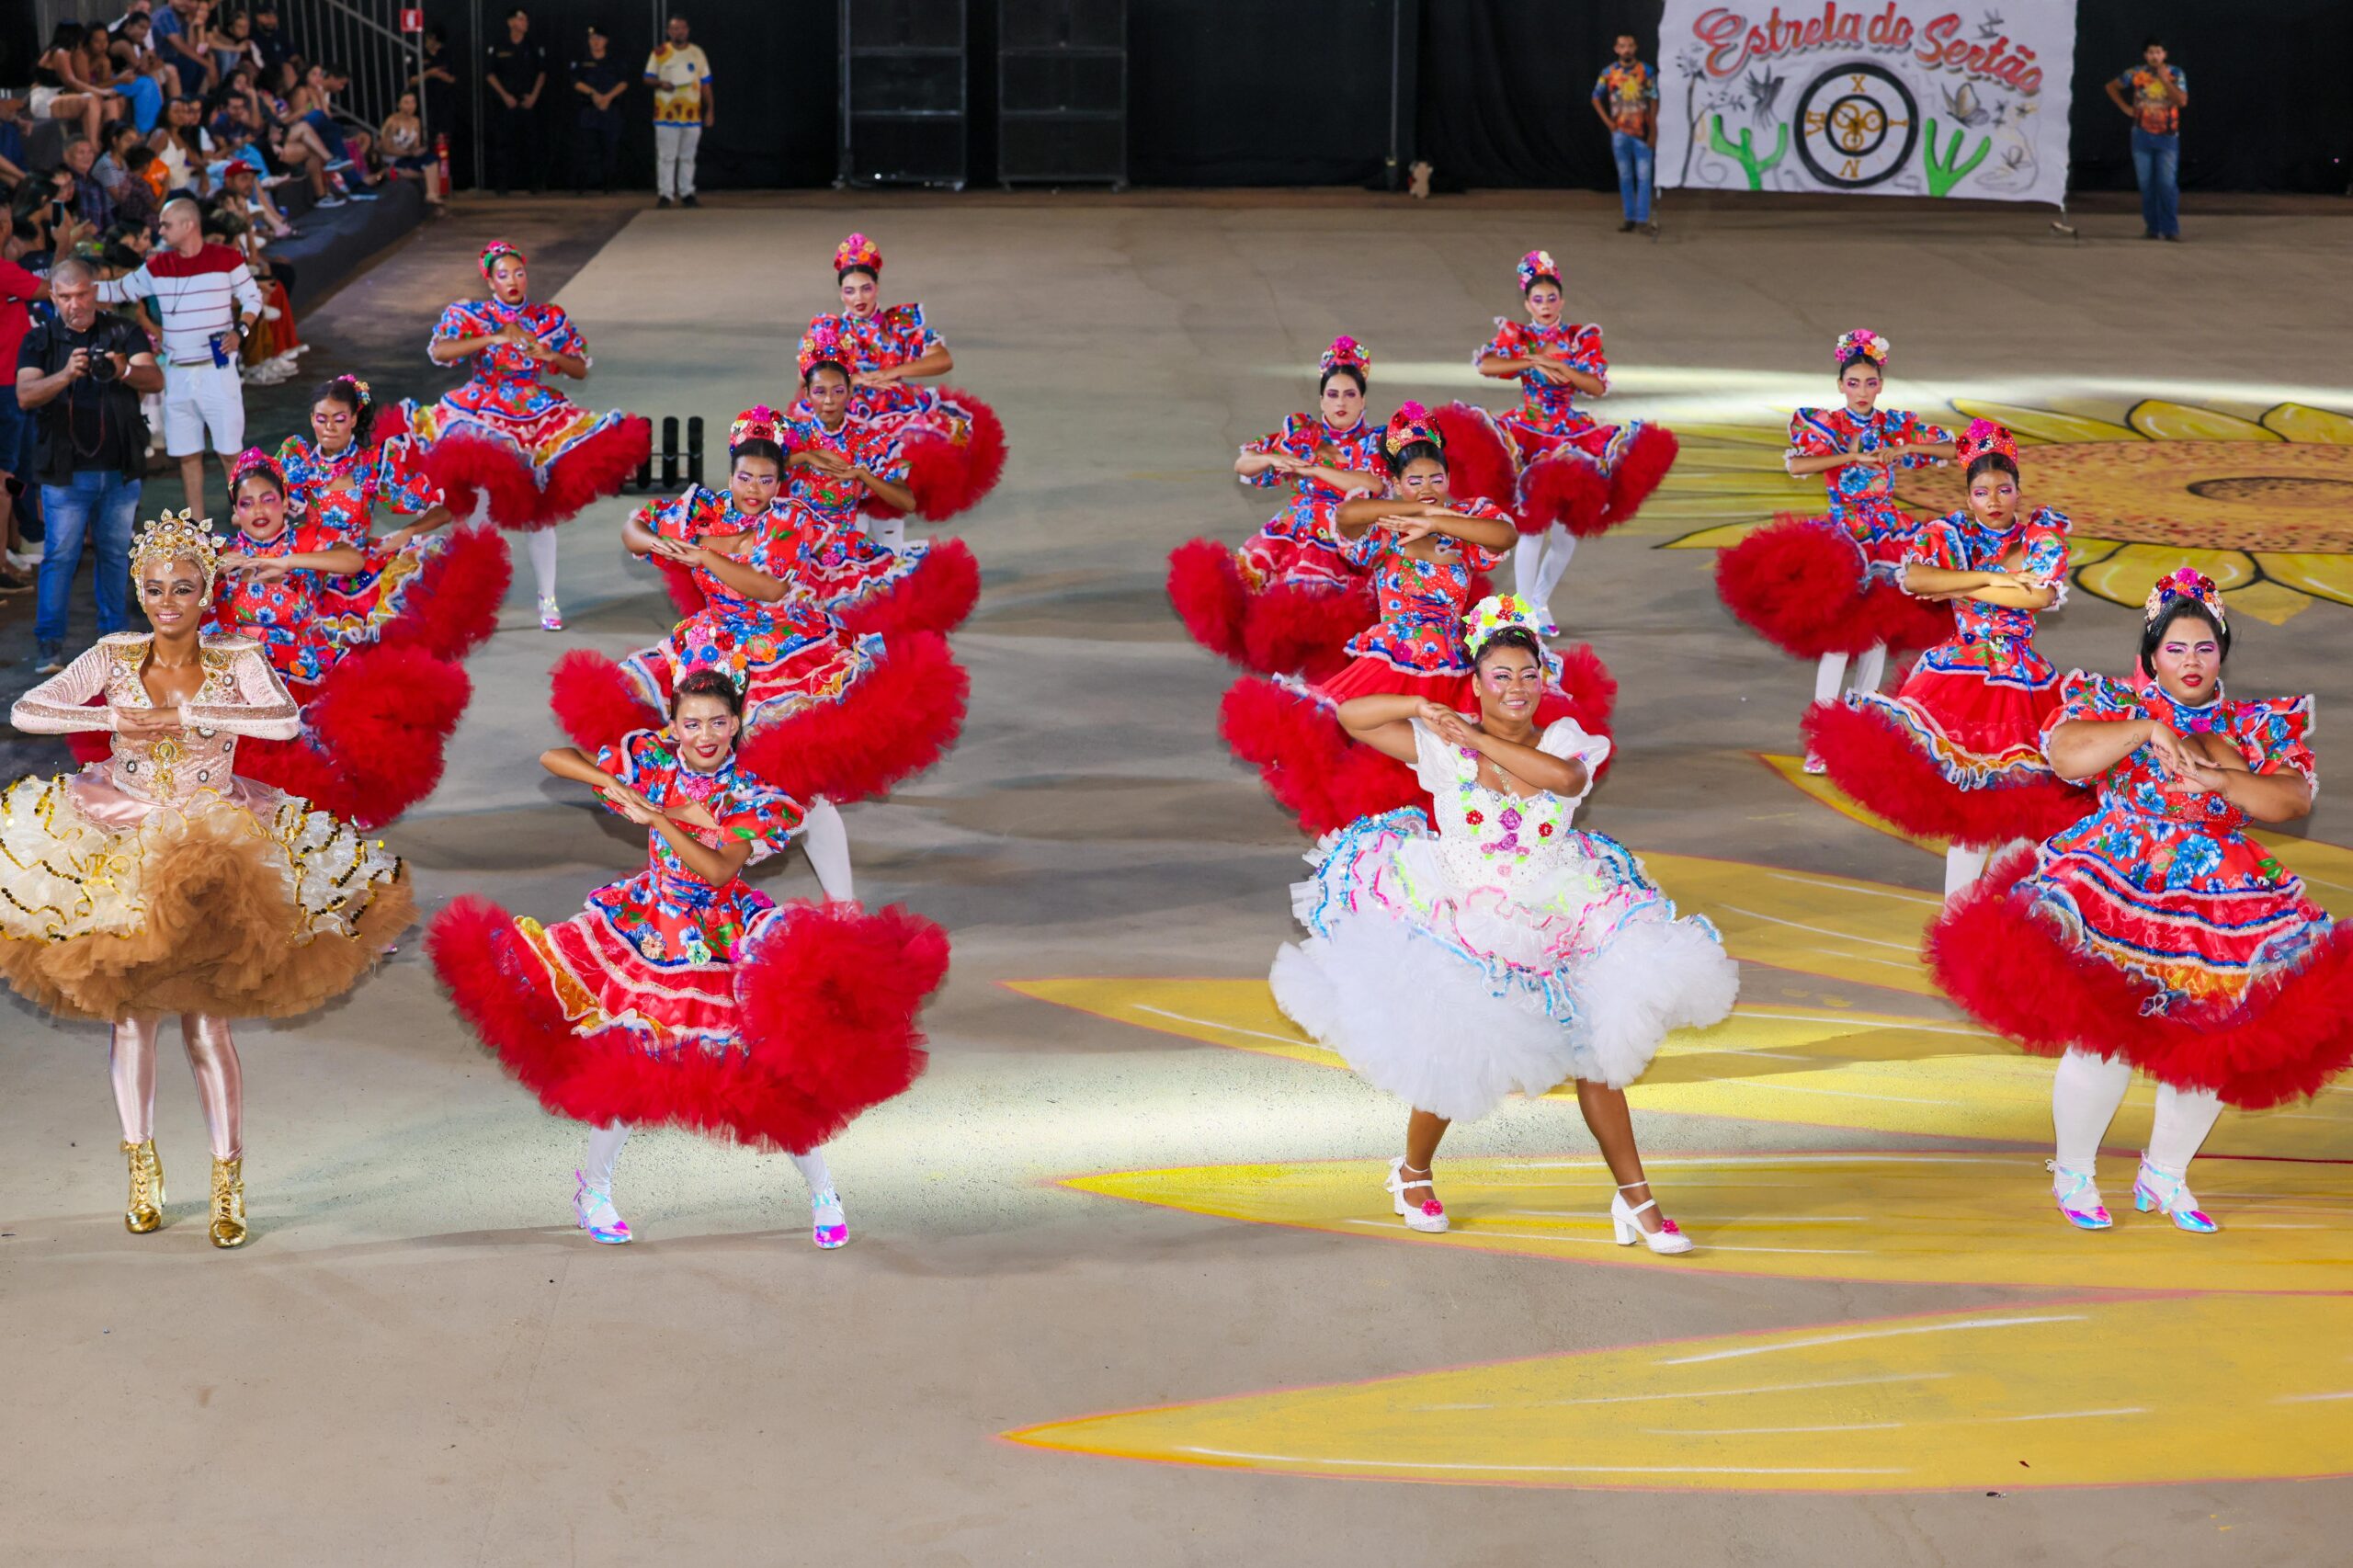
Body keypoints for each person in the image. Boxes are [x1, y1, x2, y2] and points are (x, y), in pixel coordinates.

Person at [2, 510, 415, 1247]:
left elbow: (283, 721)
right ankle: (142, 1168)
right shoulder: (115, 654)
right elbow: (28, 710)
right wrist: (119, 712)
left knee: (206, 1022)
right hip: (122, 842)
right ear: (139, 589)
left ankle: (228, 1179)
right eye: (155, 588)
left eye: (184, 588)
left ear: (208, 591)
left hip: (217, 850)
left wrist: (191, 710)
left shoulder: (236, 657)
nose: (168, 602)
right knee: (133, 1016)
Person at [427, 668, 949, 1248]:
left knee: (772, 1071)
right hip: (647, 931)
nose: (705, 736)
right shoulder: (654, 760)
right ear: (673, 725)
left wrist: (658, 817)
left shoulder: (751, 792)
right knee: (629, 1064)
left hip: (727, 938)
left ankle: (823, 1191)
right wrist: (618, 785)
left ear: (737, 723)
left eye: (718, 723)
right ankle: (594, 1191)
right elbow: (556, 758)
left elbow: (719, 869)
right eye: (692, 723)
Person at [1271, 595, 1736, 1243]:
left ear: (1544, 680)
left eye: (1529, 674)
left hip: (1563, 909)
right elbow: (1351, 715)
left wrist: (1478, 737)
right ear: (1476, 682)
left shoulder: (1565, 740)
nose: (1517, 687)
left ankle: (1637, 1201)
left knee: (1598, 1052)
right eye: (1501, 675)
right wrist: (1419, 706)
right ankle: (1413, 1171)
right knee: (1460, 1049)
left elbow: (1564, 782)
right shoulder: (1442, 747)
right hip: (1467, 914)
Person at [1927, 569, 2351, 1233]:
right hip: (2118, 883)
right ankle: (2074, 1171)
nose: (2190, 661)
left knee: (2213, 1043)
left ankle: (2166, 1174)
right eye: (2175, 648)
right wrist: (2147, 728)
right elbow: (2066, 757)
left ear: (2222, 653)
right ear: (2151, 653)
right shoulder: (2110, 700)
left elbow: (2292, 800)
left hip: (2221, 899)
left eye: (2204, 648)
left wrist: (2223, 781)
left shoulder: (2254, 724)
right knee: (2105, 1038)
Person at [1222, 405, 1616, 837]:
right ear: (1396, 483)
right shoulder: (1383, 525)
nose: (1428, 489)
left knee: (1461, 770)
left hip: (1455, 665)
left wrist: (1434, 519)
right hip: (1391, 664)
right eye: (1415, 481)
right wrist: (1407, 513)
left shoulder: (1466, 519)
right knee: (1375, 765)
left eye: (1436, 479)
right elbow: (1346, 518)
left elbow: (1504, 535)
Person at [1802, 420, 2085, 894]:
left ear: (2018, 491)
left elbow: (2037, 596)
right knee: (1972, 814)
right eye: (1981, 492)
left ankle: (1998, 906)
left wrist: (1961, 584)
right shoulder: (1949, 531)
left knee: (2023, 808)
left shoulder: (2042, 534)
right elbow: (1916, 579)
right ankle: (1958, 913)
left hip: (2024, 682)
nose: (1994, 501)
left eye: (2004, 489)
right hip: (1961, 676)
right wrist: (1993, 579)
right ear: (1968, 496)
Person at [1713, 329, 1956, 758]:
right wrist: (1851, 456)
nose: (1862, 391)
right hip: (1845, 540)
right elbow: (1799, 466)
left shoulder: (1893, 425)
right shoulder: (1826, 423)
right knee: (1839, 643)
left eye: (1870, 383)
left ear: (1881, 385)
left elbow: (1954, 450)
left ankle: (1858, 730)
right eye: (1853, 383)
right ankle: (1822, 739)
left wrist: (1906, 449)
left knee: (1877, 636)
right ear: (1840, 385)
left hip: (1888, 536)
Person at [395, 239, 651, 630]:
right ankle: (473, 598)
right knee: (477, 510)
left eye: (518, 273)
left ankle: (548, 600)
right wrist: (493, 338)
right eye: (503, 275)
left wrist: (551, 356)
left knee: (538, 514)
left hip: (536, 417)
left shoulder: (548, 317)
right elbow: (441, 351)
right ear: (490, 282)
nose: (513, 281)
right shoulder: (474, 314)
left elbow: (579, 368)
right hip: (481, 412)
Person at [1167, 334, 1385, 677]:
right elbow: (1244, 464)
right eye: (1332, 395)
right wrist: (1273, 458)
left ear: (1363, 400)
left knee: (1337, 628)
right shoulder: (1302, 434)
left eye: (1349, 394)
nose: (1340, 403)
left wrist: (1313, 469)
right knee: (1282, 614)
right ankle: (1293, 687)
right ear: (1321, 399)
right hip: (1293, 537)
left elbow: (1372, 484)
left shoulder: (1377, 441)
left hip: (1349, 538)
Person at [1472, 249, 1677, 604]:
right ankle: (1525, 611)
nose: (1546, 305)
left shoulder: (1580, 338)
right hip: (1529, 436)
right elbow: (1487, 366)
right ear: (1527, 304)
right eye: (1538, 299)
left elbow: (1595, 387)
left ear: (1562, 300)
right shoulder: (1520, 336)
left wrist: (1563, 368)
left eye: (1552, 298)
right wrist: (1531, 361)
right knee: (1532, 529)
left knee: (1566, 537)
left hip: (1572, 438)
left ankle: (1540, 603)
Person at [774, 327, 979, 638]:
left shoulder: (867, 441)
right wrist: (804, 457)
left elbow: (906, 501)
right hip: (791, 547)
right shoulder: (790, 435)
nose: (828, 401)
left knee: (859, 632)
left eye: (838, 391)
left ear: (850, 392)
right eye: (819, 392)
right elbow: (749, 470)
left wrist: (864, 475)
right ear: (807, 394)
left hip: (843, 551)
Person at [14, 259, 164, 673]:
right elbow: (25, 394)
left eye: (81, 294)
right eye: (64, 297)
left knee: (115, 556)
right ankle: (49, 646)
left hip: (119, 468)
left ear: (94, 291)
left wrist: (122, 368)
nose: (74, 304)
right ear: (53, 297)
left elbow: (155, 380)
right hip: (65, 472)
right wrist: (66, 374)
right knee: (60, 558)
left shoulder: (122, 331)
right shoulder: (40, 339)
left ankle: (115, 643)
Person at [808, 233, 1006, 527]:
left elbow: (942, 359)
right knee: (845, 493)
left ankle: (886, 546)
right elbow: (807, 375)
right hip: (845, 412)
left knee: (892, 488)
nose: (859, 298)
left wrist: (893, 371)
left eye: (865, 289)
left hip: (895, 410)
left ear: (877, 288)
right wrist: (855, 380)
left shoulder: (900, 324)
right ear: (841, 294)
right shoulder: (829, 330)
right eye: (850, 291)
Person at [96, 196, 263, 520]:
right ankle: (197, 527)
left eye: (166, 225)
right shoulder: (157, 265)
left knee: (231, 452)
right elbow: (118, 290)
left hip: (217, 371)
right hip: (177, 373)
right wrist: (73, 288)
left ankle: (248, 522)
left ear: (188, 225)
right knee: (187, 455)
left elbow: (252, 297)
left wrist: (239, 331)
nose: (160, 231)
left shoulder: (227, 258)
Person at [2106, 38, 2187, 242]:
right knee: (2146, 184)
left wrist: (2165, 80)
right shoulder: (2136, 73)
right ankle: (2152, 227)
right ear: (2145, 55)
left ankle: (2170, 229)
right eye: (2151, 52)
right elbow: (2111, 87)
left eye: (2158, 52)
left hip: (2167, 136)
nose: (2154, 56)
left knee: (2166, 184)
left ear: (2164, 54)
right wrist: (2125, 108)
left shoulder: (2176, 73)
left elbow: (2182, 101)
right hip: (2141, 135)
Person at [1591, 32, 1658, 234]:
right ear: (1616, 49)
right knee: (1625, 176)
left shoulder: (1646, 71)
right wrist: (1608, 122)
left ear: (1635, 48)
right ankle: (1629, 217)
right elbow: (1595, 97)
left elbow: (1654, 99)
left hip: (1641, 131)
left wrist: (1653, 130)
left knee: (1644, 177)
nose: (1626, 49)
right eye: (1622, 46)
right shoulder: (1609, 72)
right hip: (1620, 132)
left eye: (1629, 45)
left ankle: (1642, 219)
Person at [644, 13, 712, 209]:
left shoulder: (697, 53)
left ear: (687, 30)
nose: (678, 32)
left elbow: (706, 84)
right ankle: (665, 194)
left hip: (692, 114)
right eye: (674, 28)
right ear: (669, 31)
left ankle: (687, 192)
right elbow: (647, 78)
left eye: (682, 28)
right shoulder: (659, 52)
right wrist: (660, 84)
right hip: (666, 114)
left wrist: (710, 110)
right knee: (666, 156)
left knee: (688, 156)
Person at [484, 7, 548, 196]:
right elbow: (490, 74)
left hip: (527, 100)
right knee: (503, 144)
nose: (525, 23)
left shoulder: (532, 45)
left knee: (531, 143)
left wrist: (534, 96)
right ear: (511, 22)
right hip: (505, 102)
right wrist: (505, 95)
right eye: (521, 19)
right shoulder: (499, 44)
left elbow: (542, 73)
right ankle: (502, 184)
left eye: (526, 20)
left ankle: (534, 184)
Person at [570, 26, 628, 194]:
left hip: (610, 109)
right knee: (586, 148)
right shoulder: (582, 59)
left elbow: (623, 82)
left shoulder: (614, 60)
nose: (595, 42)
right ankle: (582, 186)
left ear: (606, 41)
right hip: (589, 110)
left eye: (599, 38)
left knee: (610, 148)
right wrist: (593, 94)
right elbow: (575, 81)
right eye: (592, 39)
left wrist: (608, 97)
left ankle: (608, 186)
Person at [379, 89, 444, 205]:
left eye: (413, 102)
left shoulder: (416, 121)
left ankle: (432, 195)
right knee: (428, 169)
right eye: (406, 102)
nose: (410, 106)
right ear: (399, 105)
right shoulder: (392, 122)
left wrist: (417, 151)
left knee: (432, 159)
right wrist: (408, 153)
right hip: (395, 159)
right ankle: (430, 192)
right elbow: (385, 148)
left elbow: (415, 145)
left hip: (408, 156)